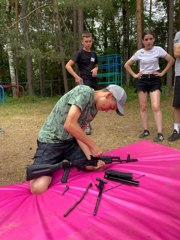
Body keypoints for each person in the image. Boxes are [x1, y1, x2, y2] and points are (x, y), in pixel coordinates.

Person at [28, 84, 127, 194]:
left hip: (70, 142)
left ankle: (62, 161)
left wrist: (90, 159)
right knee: (38, 189)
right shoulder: (84, 91)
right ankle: (43, 164)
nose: (107, 110)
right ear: (108, 95)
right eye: (111, 107)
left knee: (97, 167)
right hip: (51, 141)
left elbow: (78, 133)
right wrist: (93, 146)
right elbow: (69, 124)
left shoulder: (94, 110)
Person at [124, 30, 174, 142]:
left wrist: (162, 73)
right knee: (143, 107)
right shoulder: (139, 53)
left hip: (155, 79)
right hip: (142, 80)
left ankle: (160, 133)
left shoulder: (158, 50)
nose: (148, 41)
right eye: (146, 39)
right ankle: (146, 130)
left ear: (154, 39)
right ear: (142, 41)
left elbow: (171, 60)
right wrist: (134, 75)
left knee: (155, 106)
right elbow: (127, 64)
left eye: (150, 39)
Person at [65, 32, 98, 135]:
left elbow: (96, 65)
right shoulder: (78, 53)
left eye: (90, 41)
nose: (88, 43)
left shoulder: (94, 54)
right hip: (84, 82)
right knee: (84, 104)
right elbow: (68, 66)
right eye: (86, 41)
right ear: (82, 42)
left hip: (93, 81)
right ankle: (85, 125)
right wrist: (76, 76)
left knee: (93, 104)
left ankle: (86, 122)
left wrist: (96, 69)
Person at [168, 31, 180, 141]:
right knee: (177, 104)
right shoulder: (178, 34)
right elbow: (176, 53)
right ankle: (176, 130)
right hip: (179, 74)